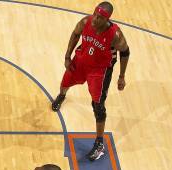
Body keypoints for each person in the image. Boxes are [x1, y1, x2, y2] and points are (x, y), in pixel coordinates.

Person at [51, 2, 130, 161]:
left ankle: (99, 143)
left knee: (98, 106)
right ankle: (62, 95)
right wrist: (67, 56)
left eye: (99, 18)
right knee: (65, 82)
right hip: (81, 60)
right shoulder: (86, 21)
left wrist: (121, 76)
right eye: (94, 14)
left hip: (99, 72)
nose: (95, 19)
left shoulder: (115, 35)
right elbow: (75, 34)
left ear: (107, 19)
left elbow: (126, 52)